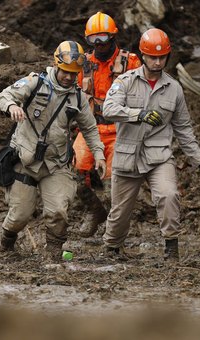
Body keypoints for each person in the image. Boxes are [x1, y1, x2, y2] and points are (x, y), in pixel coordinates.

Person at [102, 28, 200, 261]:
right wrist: (138, 114)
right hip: (127, 155)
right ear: (143, 55)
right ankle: (112, 248)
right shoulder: (125, 82)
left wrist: (199, 160)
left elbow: (184, 129)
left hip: (159, 156)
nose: (157, 61)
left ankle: (171, 248)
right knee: (120, 210)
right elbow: (108, 110)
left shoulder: (174, 89)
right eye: (153, 57)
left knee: (168, 195)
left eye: (162, 57)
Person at [0, 40, 106, 260]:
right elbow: (3, 96)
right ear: (56, 65)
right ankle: (6, 244)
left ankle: (54, 253)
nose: (68, 77)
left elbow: (90, 129)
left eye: (73, 73)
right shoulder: (35, 83)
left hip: (56, 163)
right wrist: (12, 106)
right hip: (25, 161)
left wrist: (99, 155)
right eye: (65, 71)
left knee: (58, 211)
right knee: (19, 215)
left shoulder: (78, 98)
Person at [73, 11, 141, 238]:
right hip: (90, 128)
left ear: (113, 37)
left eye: (102, 38)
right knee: (74, 173)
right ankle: (94, 211)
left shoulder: (130, 62)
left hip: (120, 130)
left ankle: (116, 230)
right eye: (93, 39)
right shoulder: (83, 65)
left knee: (116, 184)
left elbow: (142, 96)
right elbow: (72, 97)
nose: (99, 44)